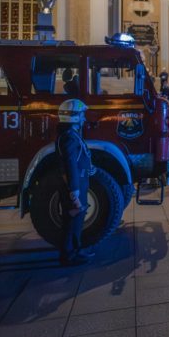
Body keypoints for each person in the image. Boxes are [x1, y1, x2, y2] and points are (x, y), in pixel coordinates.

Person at [55, 99, 95, 266]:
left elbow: (78, 160)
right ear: (75, 117)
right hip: (74, 186)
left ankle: (75, 251)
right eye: (82, 115)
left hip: (78, 183)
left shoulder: (70, 135)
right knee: (72, 221)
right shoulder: (70, 138)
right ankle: (69, 255)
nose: (84, 118)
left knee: (76, 220)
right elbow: (70, 165)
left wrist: (91, 169)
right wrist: (74, 192)